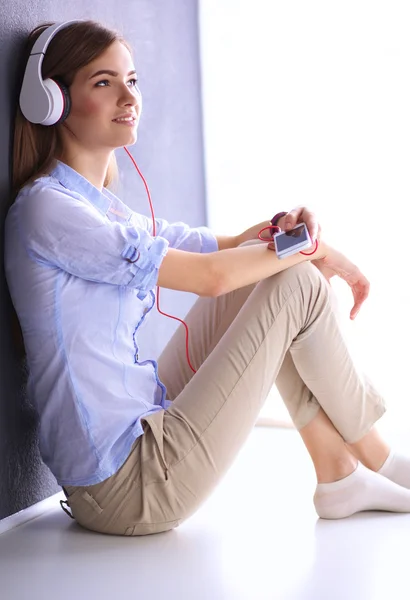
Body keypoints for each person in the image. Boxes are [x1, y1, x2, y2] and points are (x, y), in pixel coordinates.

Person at [5, 19, 410, 536]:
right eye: (103, 82)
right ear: (52, 102)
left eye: (132, 81)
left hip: (139, 437)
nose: (127, 96)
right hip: (130, 487)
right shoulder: (49, 211)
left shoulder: (98, 210)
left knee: (274, 278)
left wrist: (288, 229)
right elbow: (212, 276)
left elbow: (220, 246)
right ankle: (376, 457)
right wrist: (315, 254)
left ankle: (341, 475)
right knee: (293, 284)